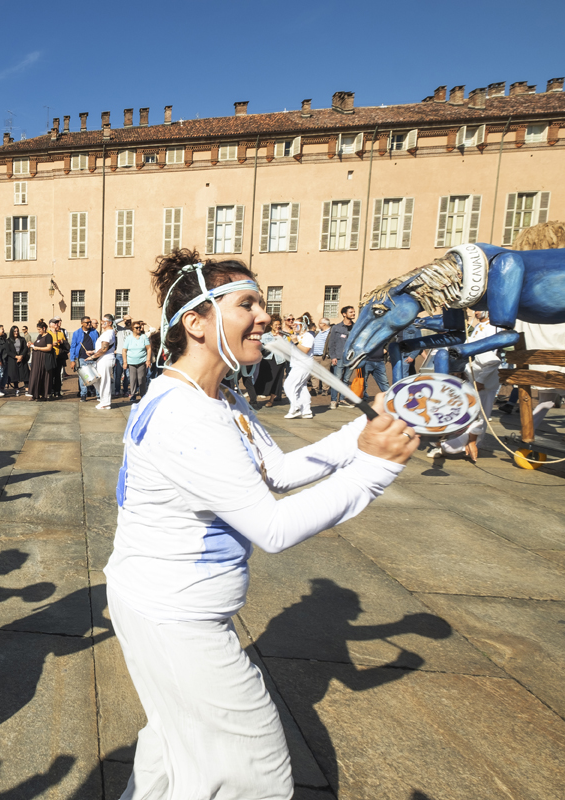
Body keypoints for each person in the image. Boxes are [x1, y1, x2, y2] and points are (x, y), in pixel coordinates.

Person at [106, 249, 417, 800]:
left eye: (263, 303)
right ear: (195, 323)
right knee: (255, 772)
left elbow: (276, 470)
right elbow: (272, 527)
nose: (266, 317)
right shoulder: (186, 414)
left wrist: (363, 431)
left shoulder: (219, 398)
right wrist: (374, 470)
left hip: (163, 605)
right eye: (246, 304)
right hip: (174, 614)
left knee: (175, 747)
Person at [440, 310, 500, 462]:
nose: (477, 312)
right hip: (472, 378)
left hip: (482, 382)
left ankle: (473, 443)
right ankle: (462, 441)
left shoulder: (492, 328)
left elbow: (492, 360)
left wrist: (480, 380)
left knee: (480, 413)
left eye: (480, 309)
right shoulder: (474, 329)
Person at [325, 305, 356, 409]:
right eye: (351, 312)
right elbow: (331, 343)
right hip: (339, 357)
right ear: (344, 314)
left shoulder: (356, 327)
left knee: (346, 380)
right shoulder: (336, 327)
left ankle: (342, 399)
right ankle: (333, 400)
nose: (353, 314)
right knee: (337, 379)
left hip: (351, 358)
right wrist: (333, 356)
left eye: (354, 312)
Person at [283, 320, 315, 419]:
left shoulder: (308, 336)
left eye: (296, 324)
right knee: (302, 388)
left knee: (289, 385)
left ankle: (295, 408)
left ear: (303, 326)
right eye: (293, 324)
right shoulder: (297, 336)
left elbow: (305, 350)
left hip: (303, 365)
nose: (293, 325)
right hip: (297, 364)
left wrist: (296, 342)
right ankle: (306, 411)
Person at [256, 317, 288, 406]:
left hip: (279, 360)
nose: (278, 326)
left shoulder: (283, 336)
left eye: (279, 324)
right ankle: (258, 395)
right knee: (264, 378)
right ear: (271, 326)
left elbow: (286, 347)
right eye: (276, 325)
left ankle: (271, 400)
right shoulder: (265, 336)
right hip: (267, 359)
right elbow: (260, 346)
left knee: (277, 380)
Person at [92, 314, 118, 410]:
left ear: (110, 323)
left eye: (104, 321)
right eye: (102, 321)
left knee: (104, 381)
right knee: (97, 380)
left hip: (105, 359)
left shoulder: (108, 333)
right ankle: (104, 400)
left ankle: (106, 402)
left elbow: (104, 349)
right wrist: (94, 352)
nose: (102, 323)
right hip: (102, 359)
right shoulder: (107, 333)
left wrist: (93, 356)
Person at [70, 316, 97, 401]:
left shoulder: (94, 332)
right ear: (82, 323)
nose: (89, 324)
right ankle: (83, 395)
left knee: (96, 377)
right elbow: (73, 347)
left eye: (90, 322)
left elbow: (98, 344)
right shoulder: (76, 333)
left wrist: (95, 352)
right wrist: (72, 360)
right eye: (87, 322)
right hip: (82, 358)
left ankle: (98, 395)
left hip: (93, 358)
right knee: (83, 378)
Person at [123, 321, 150, 402]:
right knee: (132, 379)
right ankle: (133, 394)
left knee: (141, 378)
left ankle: (142, 394)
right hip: (131, 362)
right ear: (132, 329)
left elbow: (149, 348)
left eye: (139, 327)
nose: (139, 329)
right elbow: (124, 350)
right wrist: (125, 362)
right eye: (137, 328)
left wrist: (148, 360)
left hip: (142, 361)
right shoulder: (129, 338)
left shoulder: (144, 337)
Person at [28, 320, 54, 401]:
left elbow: (49, 348)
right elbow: (37, 344)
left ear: (44, 328)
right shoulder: (39, 336)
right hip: (36, 360)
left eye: (39, 329)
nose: (38, 331)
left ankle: (43, 394)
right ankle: (35, 394)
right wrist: (31, 344)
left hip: (43, 359)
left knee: (42, 375)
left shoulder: (48, 336)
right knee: (35, 375)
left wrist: (37, 348)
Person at [6, 325, 29, 396]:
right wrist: (16, 356)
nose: (16, 332)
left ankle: (27, 390)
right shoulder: (8, 341)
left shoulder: (22, 339)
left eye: (17, 331)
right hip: (13, 360)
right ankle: (16, 389)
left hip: (22, 359)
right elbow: (8, 351)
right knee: (15, 375)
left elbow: (25, 348)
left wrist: (21, 356)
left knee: (25, 374)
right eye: (14, 331)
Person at [311, 318, 332, 396]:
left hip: (325, 357)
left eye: (319, 323)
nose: (318, 324)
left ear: (324, 324)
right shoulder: (318, 332)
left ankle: (325, 389)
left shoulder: (330, 333)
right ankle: (315, 388)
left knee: (325, 373)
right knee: (314, 374)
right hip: (315, 356)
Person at [49, 318, 69, 398]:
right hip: (51, 357)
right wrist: (51, 343)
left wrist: (62, 342)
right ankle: (50, 391)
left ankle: (57, 391)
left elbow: (66, 344)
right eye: (55, 323)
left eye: (57, 323)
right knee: (51, 375)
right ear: (50, 324)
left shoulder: (60, 333)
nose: (56, 325)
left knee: (58, 375)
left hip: (59, 357)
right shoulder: (47, 333)